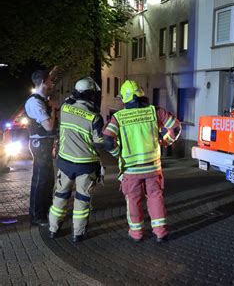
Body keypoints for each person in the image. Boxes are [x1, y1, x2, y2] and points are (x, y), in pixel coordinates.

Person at [103, 79, 181, 243]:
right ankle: (160, 232)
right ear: (141, 93)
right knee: (155, 197)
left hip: (131, 170)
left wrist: (119, 154)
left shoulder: (118, 117)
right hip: (153, 167)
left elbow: (108, 141)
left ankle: (137, 233)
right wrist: (165, 142)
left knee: (133, 200)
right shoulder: (155, 111)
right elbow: (175, 127)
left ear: (124, 98)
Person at [48, 77, 104, 242]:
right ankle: (78, 233)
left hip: (64, 163)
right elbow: (99, 142)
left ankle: (53, 229)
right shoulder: (94, 117)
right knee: (82, 200)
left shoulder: (65, 108)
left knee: (60, 196)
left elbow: (68, 101)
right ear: (91, 95)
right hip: (85, 166)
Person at [24, 68, 58, 226]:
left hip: (45, 144)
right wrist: (53, 109)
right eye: (50, 80)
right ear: (44, 82)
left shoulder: (41, 99)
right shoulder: (36, 102)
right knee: (41, 180)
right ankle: (37, 216)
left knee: (47, 179)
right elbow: (49, 126)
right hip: (40, 144)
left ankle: (43, 212)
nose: (52, 82)